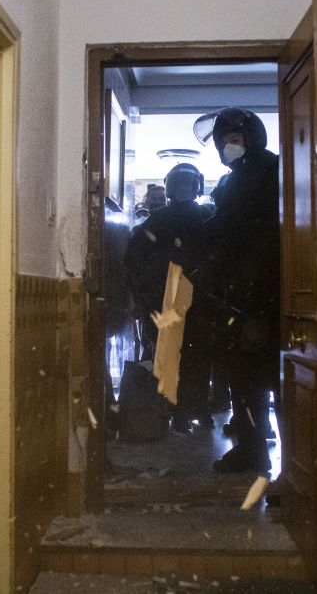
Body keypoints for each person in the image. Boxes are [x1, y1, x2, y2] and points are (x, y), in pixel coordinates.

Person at [193, 107, 280, 473]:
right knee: (243, 377)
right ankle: (251, 449)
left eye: (234, 139)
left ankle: (284, 462)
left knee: (269, 376)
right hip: (237, 292)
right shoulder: (233, 177)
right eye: (223, 141)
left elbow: (248, 228)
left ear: (250, 138)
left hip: (264, 289)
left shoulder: (271, 169)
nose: (228, 147)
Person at [124, 163, 214, 433]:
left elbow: (134, 259)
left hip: (170, 299)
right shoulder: (206, 216)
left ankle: (178, 410)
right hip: (195, 299)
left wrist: (144, 297)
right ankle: (196, 408)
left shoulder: (158, 219)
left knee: (172, 357)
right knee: (197, 358)